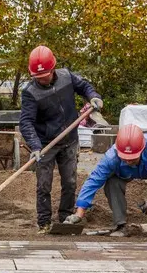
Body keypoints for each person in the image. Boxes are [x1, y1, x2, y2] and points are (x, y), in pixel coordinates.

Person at [19, 45, 103, 234]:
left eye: (45, 75)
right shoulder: (30, 92)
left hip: (69, 140)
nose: (42, 78)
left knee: (70, 182)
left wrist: (93, 97)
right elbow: (26, 122)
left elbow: (85, 87)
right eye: (38, 77)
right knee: (44, 185)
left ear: (53, 68)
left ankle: (65, 218)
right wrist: (34, 145)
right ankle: (44, 222)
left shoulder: (66, 76)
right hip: (46, 145)